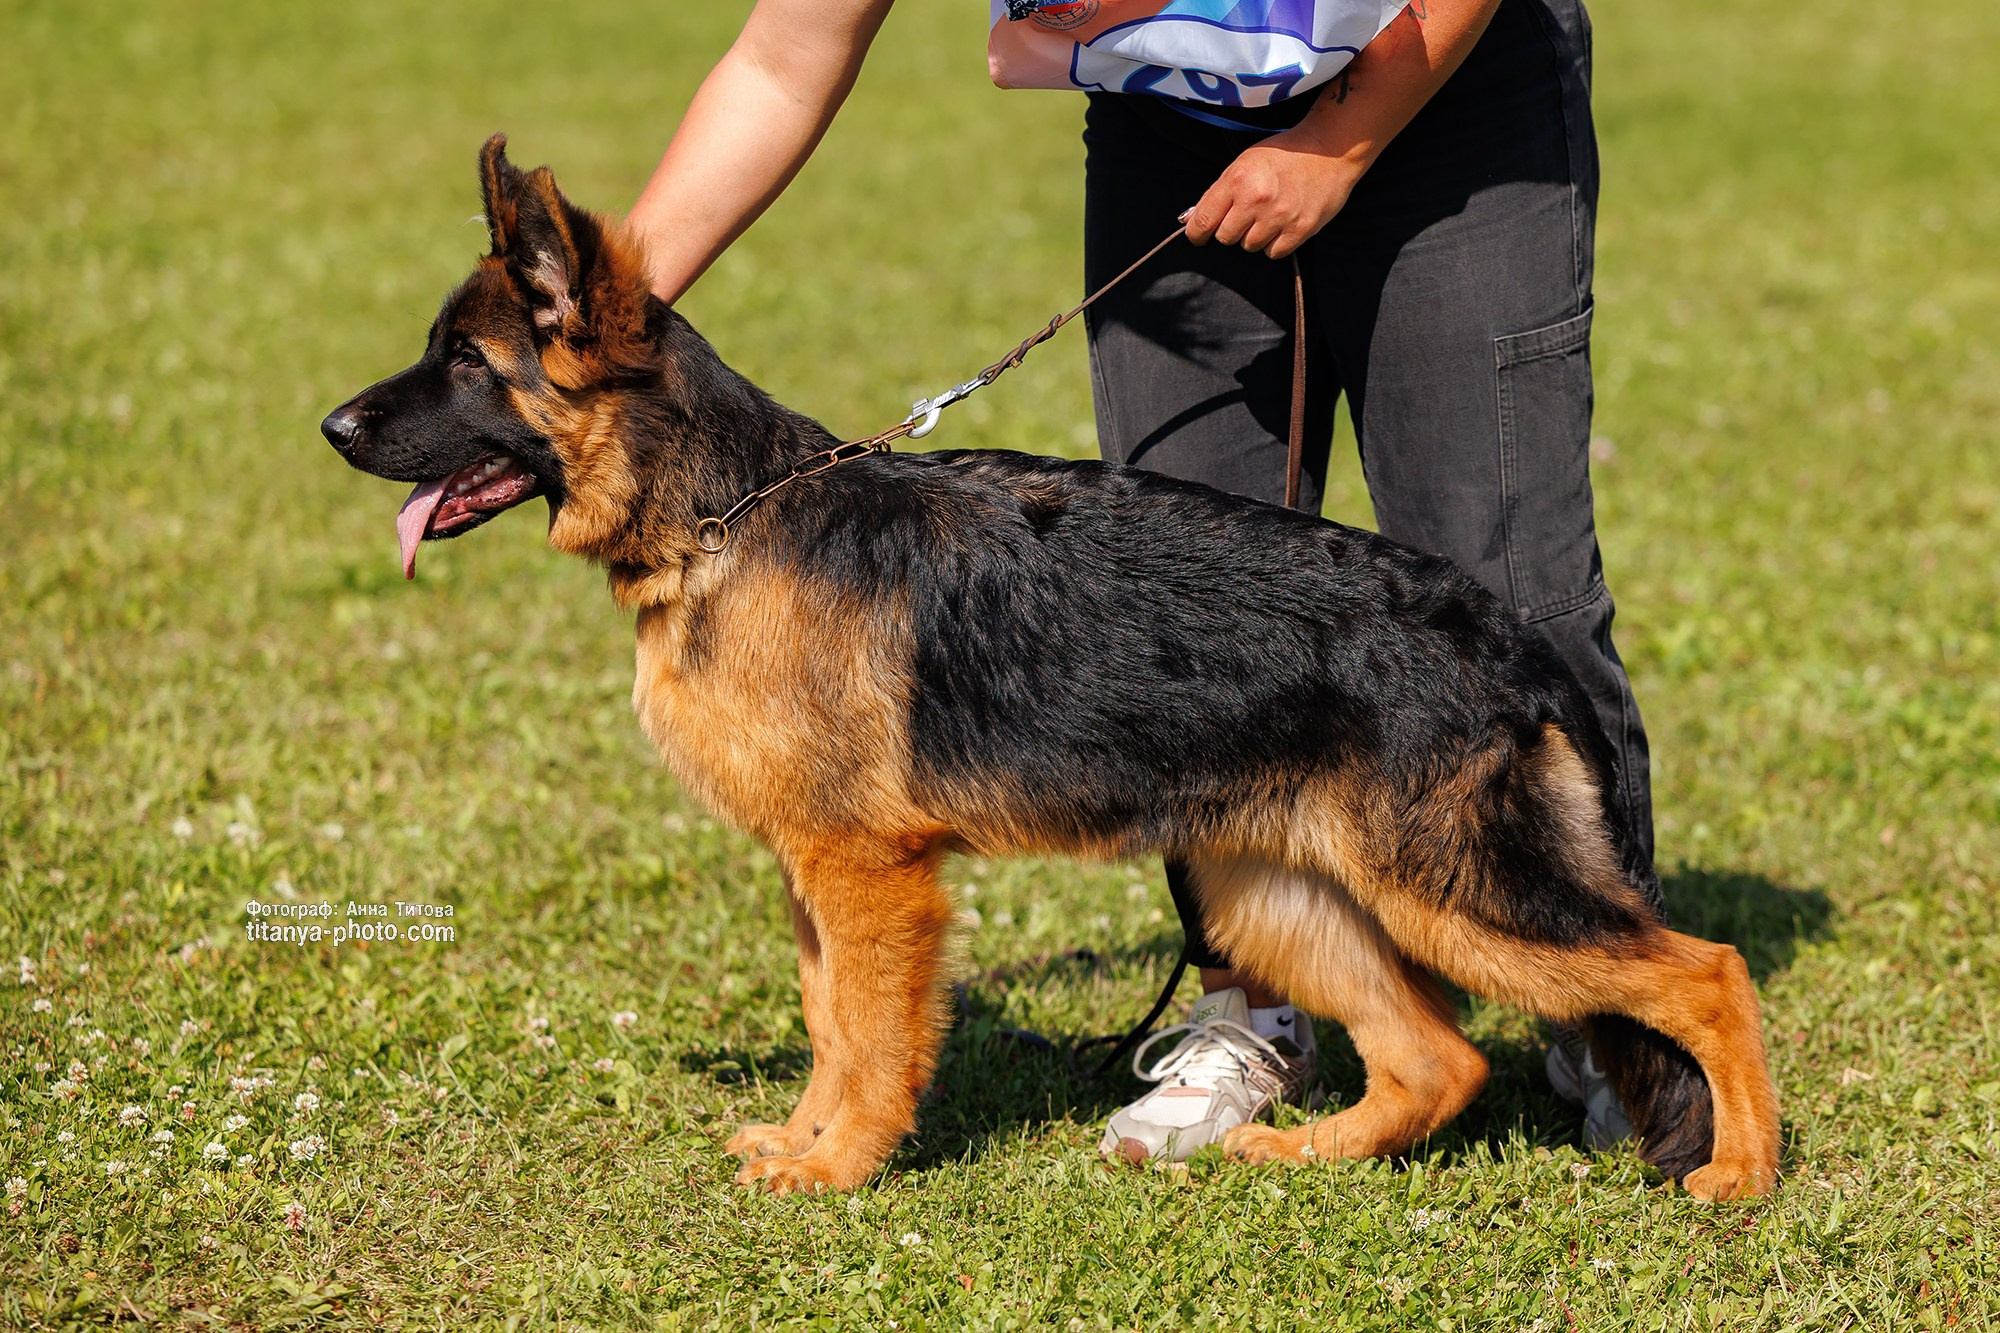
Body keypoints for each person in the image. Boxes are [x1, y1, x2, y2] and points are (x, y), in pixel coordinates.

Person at [627, 0, 1653, 1164]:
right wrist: (586, 315)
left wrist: (1336, 143)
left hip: (1450, 89)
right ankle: (1256, 1013)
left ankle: (1614, 1019)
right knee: (1173, 621)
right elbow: (780, 62)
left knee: (1506, 594)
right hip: (1176, 124)